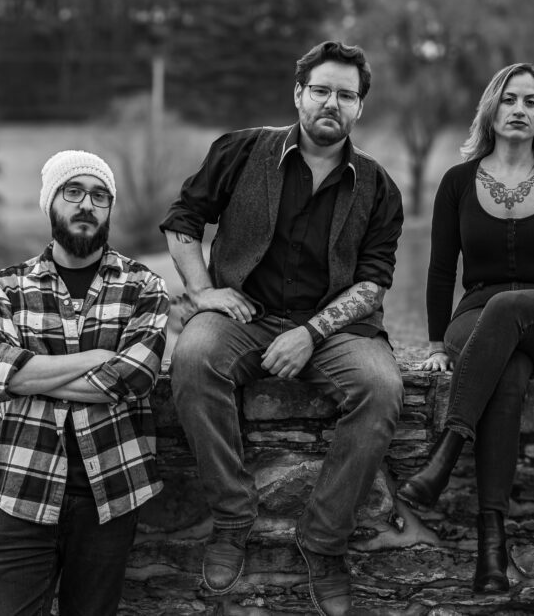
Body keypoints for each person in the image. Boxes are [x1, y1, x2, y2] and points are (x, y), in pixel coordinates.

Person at [160, 40, 404, 616]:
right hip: (243, 315)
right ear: (298, 94)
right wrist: (202, 293)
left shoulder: (377, 186)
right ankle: (231, 517)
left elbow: (373, 283)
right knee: (193, 360)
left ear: (360, 108)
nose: (331, 103)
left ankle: (323, 542)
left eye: (346, 95)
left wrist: (311, 334)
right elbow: (183, 220)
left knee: (382, 388)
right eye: (320, 89)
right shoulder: (243, 151)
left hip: (334, 329)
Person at [396, 62, 534, 593]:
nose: (518, 109)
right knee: (506, 365)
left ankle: (445, 455)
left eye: (530, 102)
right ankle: (492, 548)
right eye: (509, 99)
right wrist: (439, 342)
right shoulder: (458, 182)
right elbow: (442, 269)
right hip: (477, 317)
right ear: (492, 108)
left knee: (508, 312)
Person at [0, 150, 169, 615]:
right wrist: (98, 358)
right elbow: (2, 371)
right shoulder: (7, 287)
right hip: (24, 487)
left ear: (109, 208)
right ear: (51, 203)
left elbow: (134, 378)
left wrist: (32, 377)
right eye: (74, 192)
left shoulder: (144, 286)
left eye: (100, 195)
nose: (87, 204)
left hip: (110, 490)